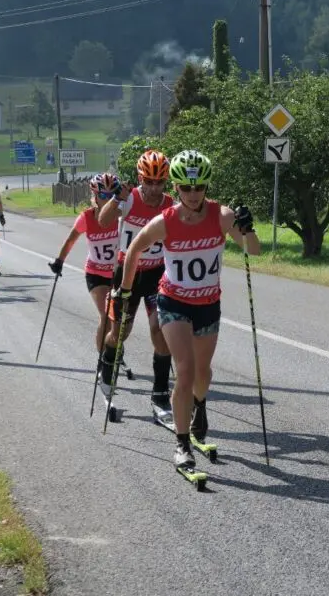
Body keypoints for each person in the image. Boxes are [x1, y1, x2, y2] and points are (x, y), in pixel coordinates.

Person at [114, 150, 259, 468]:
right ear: (176, 188)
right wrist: (124, 289)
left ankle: (199, 405)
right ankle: (181, 444)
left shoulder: (221, 216)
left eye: (200, 187)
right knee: (186, 370)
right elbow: (135, 248)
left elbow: (253, 249)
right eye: (186, 188)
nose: (194, 194)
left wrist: (248, 227)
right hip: (173, 302)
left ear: (206, 186)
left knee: (203, 373)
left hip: (208, 304)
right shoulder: (164, 221)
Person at [97, 150, 175, 414]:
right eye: (148, 182)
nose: (154, 188)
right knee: (121, 332)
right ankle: (106, 372)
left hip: (156, 275)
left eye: (159, 182)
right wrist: (116, 198)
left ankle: (160, 393)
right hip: (127, 273)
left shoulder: (170, 204)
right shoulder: (129, 199)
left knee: (159, 330)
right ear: (140, 178)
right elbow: (103, 220)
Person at [49, 172, 124, 361]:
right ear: (95, 196)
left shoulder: (122, 215)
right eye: (103, 195)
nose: (107, 200)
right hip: (96, 274)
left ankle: (113, 347)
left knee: (118, 320)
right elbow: (70, 240)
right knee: (106, 315)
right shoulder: (87, 217)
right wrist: (59, 261)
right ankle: (104, 360)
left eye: (112, 195)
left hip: (118, 274)